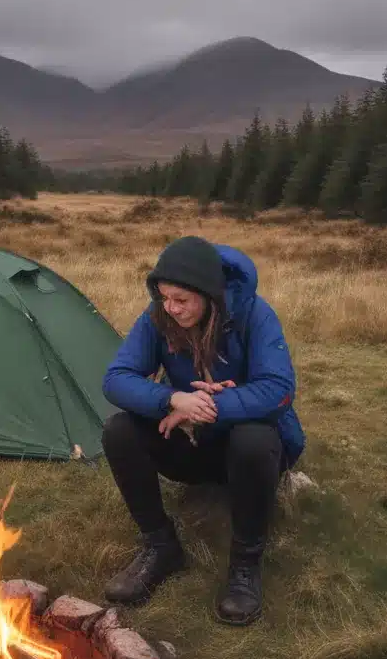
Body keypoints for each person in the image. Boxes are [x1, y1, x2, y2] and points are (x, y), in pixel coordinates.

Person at [100, 235, 305, 625]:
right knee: (119, 430)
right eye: (163, 297)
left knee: (255, 438)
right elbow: (116, 379)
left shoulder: (254, 315)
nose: (171, 309)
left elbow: (279, 389)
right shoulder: (158, 316)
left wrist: (210, 409)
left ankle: (245, 564)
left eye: (181, 299)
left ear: (209, 294)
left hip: (242, 454)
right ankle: (161, 547)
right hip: (191, 449)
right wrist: (173, 400)